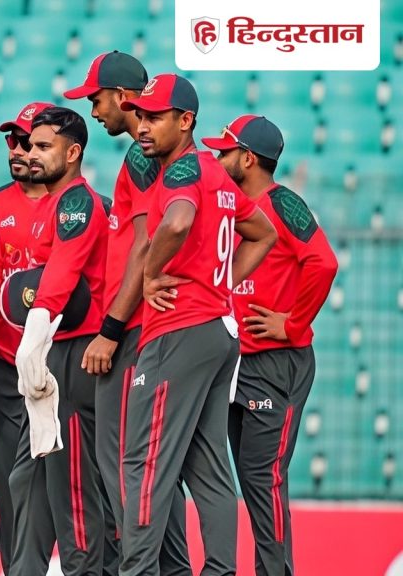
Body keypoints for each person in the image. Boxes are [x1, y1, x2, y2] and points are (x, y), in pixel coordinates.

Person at [117, 74, 277, 576]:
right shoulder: (215, 171)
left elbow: (178, 221)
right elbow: (263, 233)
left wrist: (149, 274)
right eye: (140, 116)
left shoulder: (183, 170)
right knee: (208, 468)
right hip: (218, 331)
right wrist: (220, 283)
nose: (144, 126)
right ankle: (221, 570)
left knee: (143, 460)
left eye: (155, 116)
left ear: (185, 120)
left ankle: (136, 571)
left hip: (179, 329)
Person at [64, 51, 192, 576]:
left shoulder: (141, 156)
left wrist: (111, 329)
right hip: (151, 325)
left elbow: (143, 247)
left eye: (96, 100)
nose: (94, 112)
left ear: (122, 97)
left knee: (123, 462)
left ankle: (145, 568)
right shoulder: (152, 156)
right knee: (152, 469)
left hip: (134, 328)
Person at [203, 114, 337, 576]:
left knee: (264, 477)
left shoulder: (283, 203)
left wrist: (293, 324)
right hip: (239, 363)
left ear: (248, 159)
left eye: (225, 151)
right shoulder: (234, 207)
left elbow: (324, 263)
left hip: (277, 362)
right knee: (251, 478)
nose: (218, 158)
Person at [10, 106, 108, 575]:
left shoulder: (76, 202)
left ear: (72, 153)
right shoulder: (52, 203)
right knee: (37, 481)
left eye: (44, 146)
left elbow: (63, 271)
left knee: (73, 487)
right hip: (59, 347)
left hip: (76, 351)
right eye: (31, 145)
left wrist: (33, 334)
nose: (32, 154)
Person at [0, 100, 56, 574]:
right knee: (10, 489)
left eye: (29, 141)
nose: (17, 149)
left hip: (59, 369)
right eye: (13, 140)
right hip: (4, 368)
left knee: (70, 491)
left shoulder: (78, 207)